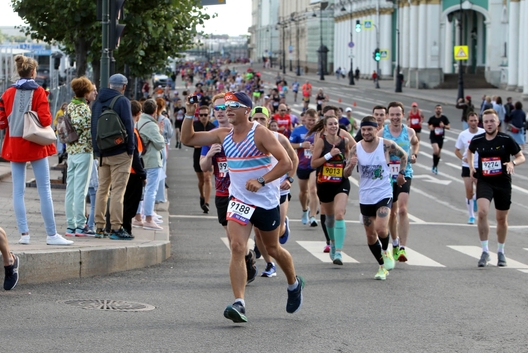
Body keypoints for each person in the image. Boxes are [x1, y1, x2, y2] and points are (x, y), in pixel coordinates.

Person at [181, 91, 304, 323]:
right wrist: (189, 115)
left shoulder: (261, 134)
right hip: (239, 201)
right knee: (237, 246)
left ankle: (294, 284)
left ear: (247, 110)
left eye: (233, 106)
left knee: (273, 249)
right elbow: (189, 140)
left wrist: (262, 180)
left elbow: (286, 163)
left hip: (265, 201)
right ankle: (240, 303)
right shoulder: (222, 134)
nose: (227, 110)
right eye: (226, 106)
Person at [0, 55, 73, 246]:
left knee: (18, 192)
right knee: (45, 190)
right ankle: (51, 235)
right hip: (35, 143)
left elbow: (1, 121)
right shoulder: (39, 92)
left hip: (15, 143)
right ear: (33, 72)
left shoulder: (7, 93)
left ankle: (24, 235)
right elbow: (46, 120)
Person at [345, 116, 408, 280]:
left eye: (369, 129)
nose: (366, 132)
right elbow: (345, 174)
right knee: (371, 235)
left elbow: (403, 156)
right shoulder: (356, 149)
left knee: (381, 228)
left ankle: (386, 252)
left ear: (376, 129)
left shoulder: (385, 145)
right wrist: (351, 165)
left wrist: (401, 173)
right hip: (366, 196)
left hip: (383, 192)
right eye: (363, 130)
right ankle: (382, 266)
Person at [467, 109, 525, 267]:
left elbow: (521, 157)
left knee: (501, 219)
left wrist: (512, 163)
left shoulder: (506, 139)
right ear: (482, 123)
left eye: (492, 121)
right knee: (483, 212)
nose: (489, 124)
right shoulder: (478, 139)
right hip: (484, 181)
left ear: (498, 122)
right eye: (486, 121)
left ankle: (501, 251)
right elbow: (470, 151)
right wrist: (472, 166)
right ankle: (485, 251)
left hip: (503, 182)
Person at [251, 106, 299, 274]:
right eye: (255, 119)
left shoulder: (280, 138)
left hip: (279, 191)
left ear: (269, 121)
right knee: (258, 231)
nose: (258, 122)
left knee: (277, 233)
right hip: (259, 192)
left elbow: (294, 159)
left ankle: (284, 224)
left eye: (262, 119)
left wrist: (289, 179)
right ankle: (269, 264)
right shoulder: (247, 139)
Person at [91, 73, 135, 239]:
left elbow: (93, 127)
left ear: (109, 85)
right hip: (120, 152)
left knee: (102, 190)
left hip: (102, 153)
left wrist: (97, 150)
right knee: (118, 191)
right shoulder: (122, 101)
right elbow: (129, 127)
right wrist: (130, 149)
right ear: (123, 86)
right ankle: (116, 227)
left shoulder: (98, 102)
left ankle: (99, 227)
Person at [310, 110, 353, 265]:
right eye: (331, 124)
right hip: (324, 182)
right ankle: (333, 243)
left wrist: (349, 164)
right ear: (325, 127)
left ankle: (339, 253)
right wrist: (329, 155)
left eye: (336, 123)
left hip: (341, 181)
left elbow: (347, 156)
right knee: (329, 218)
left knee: (339, 213)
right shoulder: (322, 141)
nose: (334, 126)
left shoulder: (345, 141)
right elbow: (313, 163)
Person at [379, 102, 419, 262]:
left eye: (398, 114)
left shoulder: (409, 132)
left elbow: (415, 143)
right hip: (388, 176)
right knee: (392, 213)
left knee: (402, 209)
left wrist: (414, 154)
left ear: (403, 115)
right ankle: (394, 243)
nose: (395, 117)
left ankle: (402, 248)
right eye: (392, 114)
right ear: (388, 116)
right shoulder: (382, 132)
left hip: (405, 173)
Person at [64, 76, 95, 237]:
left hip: (71, 150)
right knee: (81, 190)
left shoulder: (70, 106)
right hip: (84, 151)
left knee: (70, 189)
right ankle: (80, 224)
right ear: (86, 92)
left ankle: (70, 225)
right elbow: (88, 129)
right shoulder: (84, 109)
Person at [137, 99, 166, 231]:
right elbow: (160, 143)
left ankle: (138, 217)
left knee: (140, 190)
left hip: (141, 159)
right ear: (155, 111)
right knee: (151, 190)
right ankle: (148, 218)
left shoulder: (139, 121)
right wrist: (159, 131)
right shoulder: (151, 125)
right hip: (152, 160)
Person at [290, 109, 319, 228]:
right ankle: (304, 210)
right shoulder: (298, 131)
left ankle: (313, 216)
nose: (311, 122)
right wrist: (302, 145)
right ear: (305, 119)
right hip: (302, 164)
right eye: (309, 120)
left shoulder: (320, 131)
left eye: (314, 120)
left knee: (313, 189)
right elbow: (289, 145)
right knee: (304, 192)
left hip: (314, 165)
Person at [454, 112, 485, 225]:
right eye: (471, 120)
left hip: (479, 165)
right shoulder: (463, 134)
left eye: (475, 120)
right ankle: (471, 215)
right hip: (467, 166)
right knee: (469, 190)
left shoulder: (483, 132)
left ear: (478, 121)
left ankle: (476, 199)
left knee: (480, 190)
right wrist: (463, 157)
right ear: (468, 121)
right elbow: (456, 150)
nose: (473, 122)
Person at [122, 100, 147, 235]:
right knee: (131, 203)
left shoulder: (126, 127)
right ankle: (126, 229)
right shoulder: (133, 130)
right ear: (138, 113)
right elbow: (135, 156)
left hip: (126, 170)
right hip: (133, 172)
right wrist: (142, 174)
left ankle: (124, 227)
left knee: (125, 201)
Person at [193, 105, 215, 213]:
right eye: (200, 115)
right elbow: (187, 140)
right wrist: (195, 145)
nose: (203, 117)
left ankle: (206, 203)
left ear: (209, 115)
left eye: (205, 115)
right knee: (201, 180)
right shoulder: (195, 126)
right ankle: (202, 196)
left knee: (208, 178)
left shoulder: (213, 127)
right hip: (198, 155)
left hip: (209, 155)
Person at [155, 98, 174, 204]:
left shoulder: (151, 119)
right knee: (161, 171)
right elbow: (170, 134)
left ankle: (154, 195)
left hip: (151, 147)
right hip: (163, 145)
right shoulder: (165, 120)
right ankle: (160, 196)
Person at [428, 104, 450, 174]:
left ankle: (435, 166)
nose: (438, 110)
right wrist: (430, 127)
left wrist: (444, 126)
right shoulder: (432, 118)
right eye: (437, 108)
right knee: (436, 150)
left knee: (438, 154)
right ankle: (434, 166)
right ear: (435, 110)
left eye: (440, 109)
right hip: (433, 137)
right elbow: (429, 125)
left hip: (440, 137)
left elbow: (449, 127)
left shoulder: (444, 118)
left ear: (441, 110)